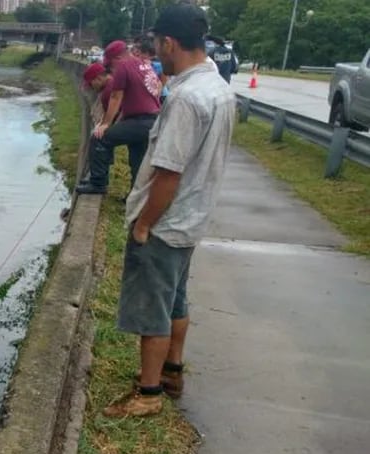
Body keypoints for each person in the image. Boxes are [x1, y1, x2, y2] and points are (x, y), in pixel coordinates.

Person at [103, 3, 236, 418]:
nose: (156, 52)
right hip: (192, 219)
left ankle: (148, 393)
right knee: (177, 301)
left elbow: (168, 174)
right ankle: (173, 371)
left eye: (158, 45)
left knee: (152, 310)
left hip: (166, 222)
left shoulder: (186, 99)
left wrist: (144, 224)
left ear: (170, 42)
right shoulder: (219, 88)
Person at [76, 39, 162, 195]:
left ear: (117, 58)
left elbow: (116, 97)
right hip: (153, 119)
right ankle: (136, 197)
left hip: (140, 120)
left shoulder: (123, 66)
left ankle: (98, 184)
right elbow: (158, 85)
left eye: (110, 64)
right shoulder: (143, 64)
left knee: (99, 138)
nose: (110, 69)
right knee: (137, 159)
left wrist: (105, 124)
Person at [81, 62, 112, 128]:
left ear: (99, 78)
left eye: (90, 84)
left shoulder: (107, 92)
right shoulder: (113, 81)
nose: (91, 88)